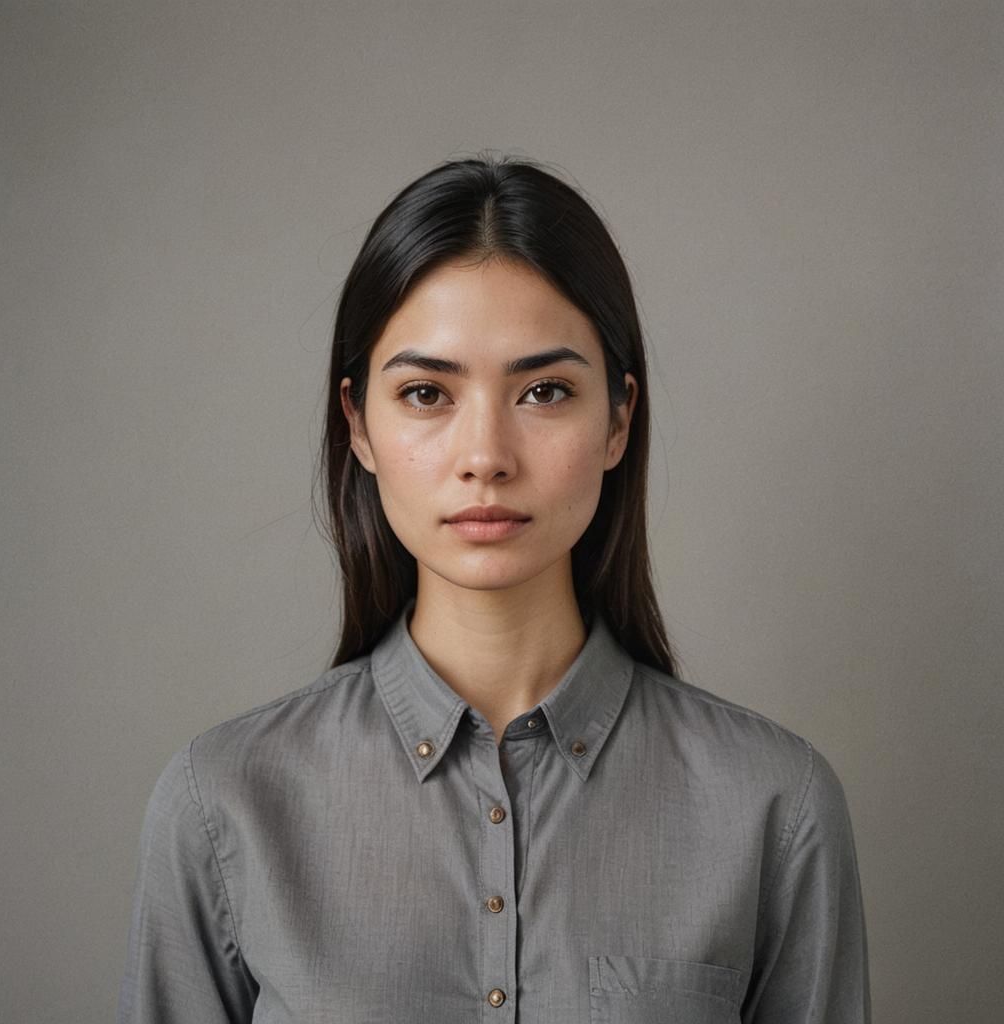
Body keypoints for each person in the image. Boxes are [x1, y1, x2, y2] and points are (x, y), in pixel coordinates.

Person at [118, 155, 871, 1023]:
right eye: (427, 392)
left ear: (619, 420)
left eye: (545, 391)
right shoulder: (224, 804)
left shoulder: (775, 808)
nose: (486, 455)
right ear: (357, 423)